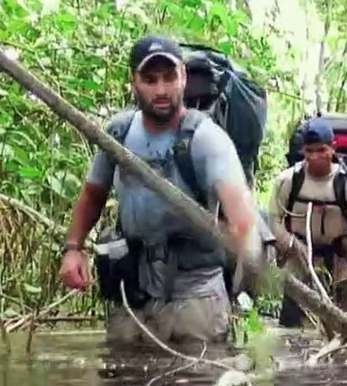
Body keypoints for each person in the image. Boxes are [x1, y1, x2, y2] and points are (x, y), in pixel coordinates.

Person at [58, 34, 263, 345]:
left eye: (169, 77)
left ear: (183, 75)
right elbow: (92, 194)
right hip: (132, 290)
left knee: (198, 376)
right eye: (150, 80)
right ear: (133, 82)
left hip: (195, 295)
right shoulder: (118, 132)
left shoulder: (207, 139)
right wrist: (73, 248)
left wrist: (242, 242)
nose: (162, 90)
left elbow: (241, 217)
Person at [268, 116, 347, 328]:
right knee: (293, 333)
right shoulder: (287, 181)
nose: (315, 157)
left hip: (340, 268)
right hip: (298, 269)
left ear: (333, 148)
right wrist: (291, 244)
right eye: (309, 151)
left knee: (345, 330)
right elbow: (272, 221)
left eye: (321, 150)